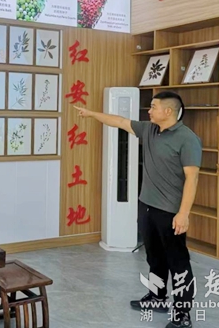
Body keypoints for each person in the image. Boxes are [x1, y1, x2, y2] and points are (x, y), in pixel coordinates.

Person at [76, 91, 202, 328]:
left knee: (178, 263)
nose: (149, 111)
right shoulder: (149, 129)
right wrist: (91, 114)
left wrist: (183, 214)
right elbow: (120, 121)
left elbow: (192, 179)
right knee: (154, 257)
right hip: (146, 206)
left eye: (153, 107)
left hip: (170, 212)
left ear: (168, 111)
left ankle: (182, 314)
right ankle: (157, 297)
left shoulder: (187, 139)